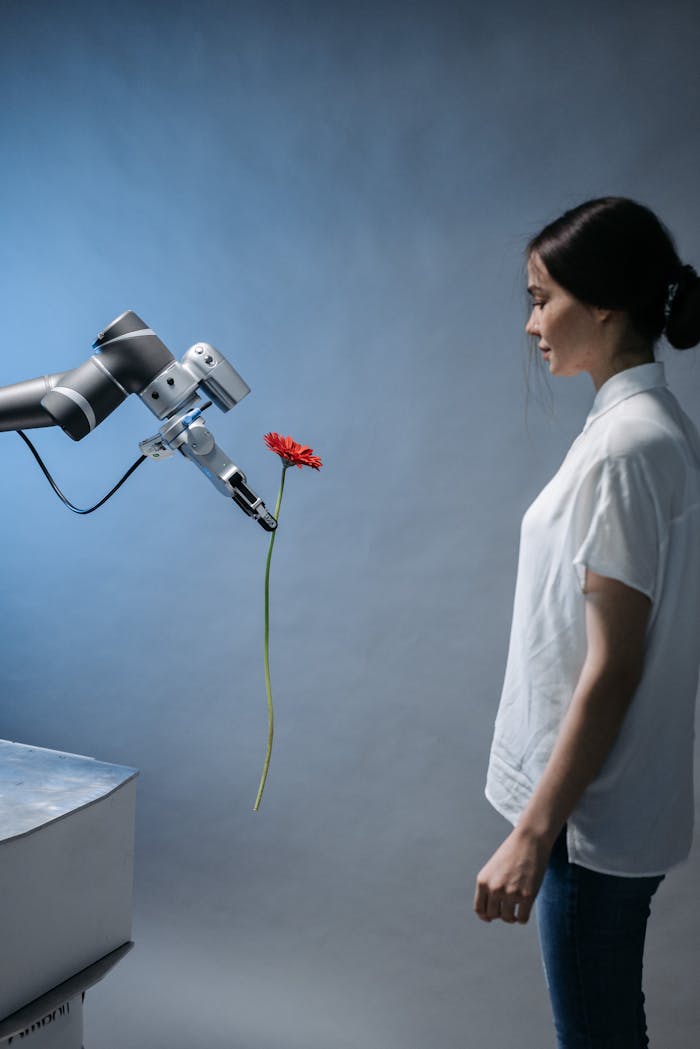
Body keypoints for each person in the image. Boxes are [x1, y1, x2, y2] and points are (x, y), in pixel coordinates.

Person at [473, 197, 700, 1048]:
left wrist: (534, 834)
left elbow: (613, 667)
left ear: (602, 302)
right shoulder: (636, 427)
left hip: (588, 822)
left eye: (542, 297)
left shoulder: (628, 446)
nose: (532, 321)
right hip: (592, 809)